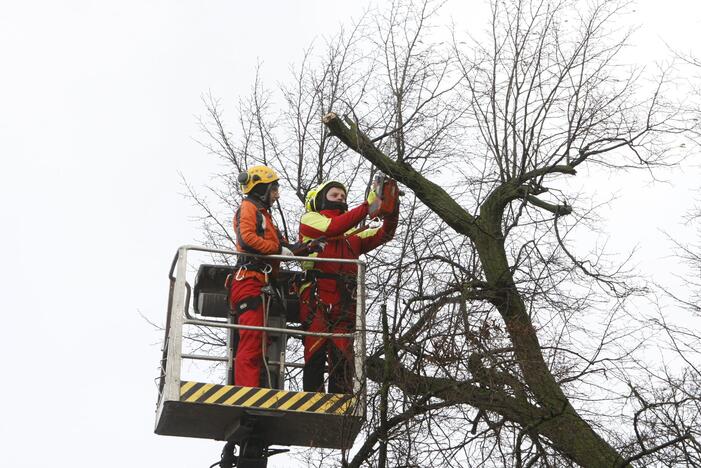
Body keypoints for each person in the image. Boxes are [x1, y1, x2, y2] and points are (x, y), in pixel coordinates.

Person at [298, 180, 399, 393]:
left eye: (343, 197)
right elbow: (333, 227)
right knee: (314, 354)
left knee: (343, 357)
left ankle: (341, 404)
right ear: (320, 198)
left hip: (345, 304)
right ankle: (311, 400)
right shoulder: (310, 221)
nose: (340, 199)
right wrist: (369, 205)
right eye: (335, 195)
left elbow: (385, 234)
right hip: (317, 300)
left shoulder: (352, 235)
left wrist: (391, 210)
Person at [229, 165, 318, 388]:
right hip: (249, 279)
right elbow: (247, 239)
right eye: (274, 188)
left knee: (260, 340)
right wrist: (277, 250)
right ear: (261, 189)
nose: (277, 194)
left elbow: (285, 246)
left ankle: (255, 387)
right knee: (252, 339)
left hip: (261, 283)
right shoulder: (248, 207)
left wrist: (310, 246)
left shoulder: (265, 217)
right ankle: (247, 392)